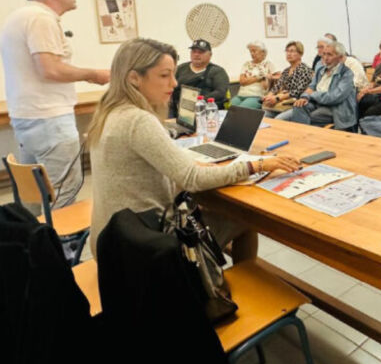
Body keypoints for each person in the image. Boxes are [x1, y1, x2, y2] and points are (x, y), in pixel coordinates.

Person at [86, 38, 300, 256]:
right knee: (245, 218)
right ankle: (219, 285)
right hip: (144, 248)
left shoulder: (110, 111)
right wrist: (259, 165)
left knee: (206, 207)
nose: (174, 83)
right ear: (134, 78)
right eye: (164, 75)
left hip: (112, 239)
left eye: (172, 74)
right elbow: (192, 178)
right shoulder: (138, 120)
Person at [0, 0, 110, 207]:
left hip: (27, 117)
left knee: (35, 194)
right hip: (49, 120)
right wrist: (95, 74)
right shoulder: (41, 19)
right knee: (63, 193)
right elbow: (50, 69)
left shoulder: (19, 17)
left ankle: (39, 241)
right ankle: (64, 244)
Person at [279, 41, 356, 130]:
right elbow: (311, 87)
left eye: (330, 55)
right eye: (324, 54)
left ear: (340, 58)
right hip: (317, 103)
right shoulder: (320, 70)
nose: (325, 58)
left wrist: (313, 95)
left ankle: (303, 138)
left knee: (307, 117)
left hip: (334, 108)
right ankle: (303, 136)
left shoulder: (346, 74)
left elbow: (334, 97)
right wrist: (304, 98)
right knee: (298, 106)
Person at [170, 39, 229, 116]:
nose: (196, 55)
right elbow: (169, 85)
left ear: (210, 55)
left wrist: (198, 101)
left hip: (206, 113)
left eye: (201, 52)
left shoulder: (218, 71)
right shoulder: (180, 68)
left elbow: (220, 92)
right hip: (179, 111)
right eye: (194, 52)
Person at [262, 41, 313, 116]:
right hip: (283, 102)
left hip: (297, 104)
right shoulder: (286, 70)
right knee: (264, 115)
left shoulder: (304, 69)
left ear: (300, 54)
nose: (288, 54)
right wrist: (269, 96)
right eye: (287, 51)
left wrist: (277, 98)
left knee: (279, 119)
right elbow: (277, 86)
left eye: (292, 51)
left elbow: (298, 91)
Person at [230, 39, 274, 109]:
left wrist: (250, 79)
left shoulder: (268, 64)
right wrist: (259, 78)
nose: (252, 53)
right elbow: (242, 81)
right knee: (228, 109)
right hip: (240, 95)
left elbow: (265, 86)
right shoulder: (246, 64)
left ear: (263, 52)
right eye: (250, 51)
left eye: (254, 51)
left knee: (241, 110)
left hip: (256, 96)